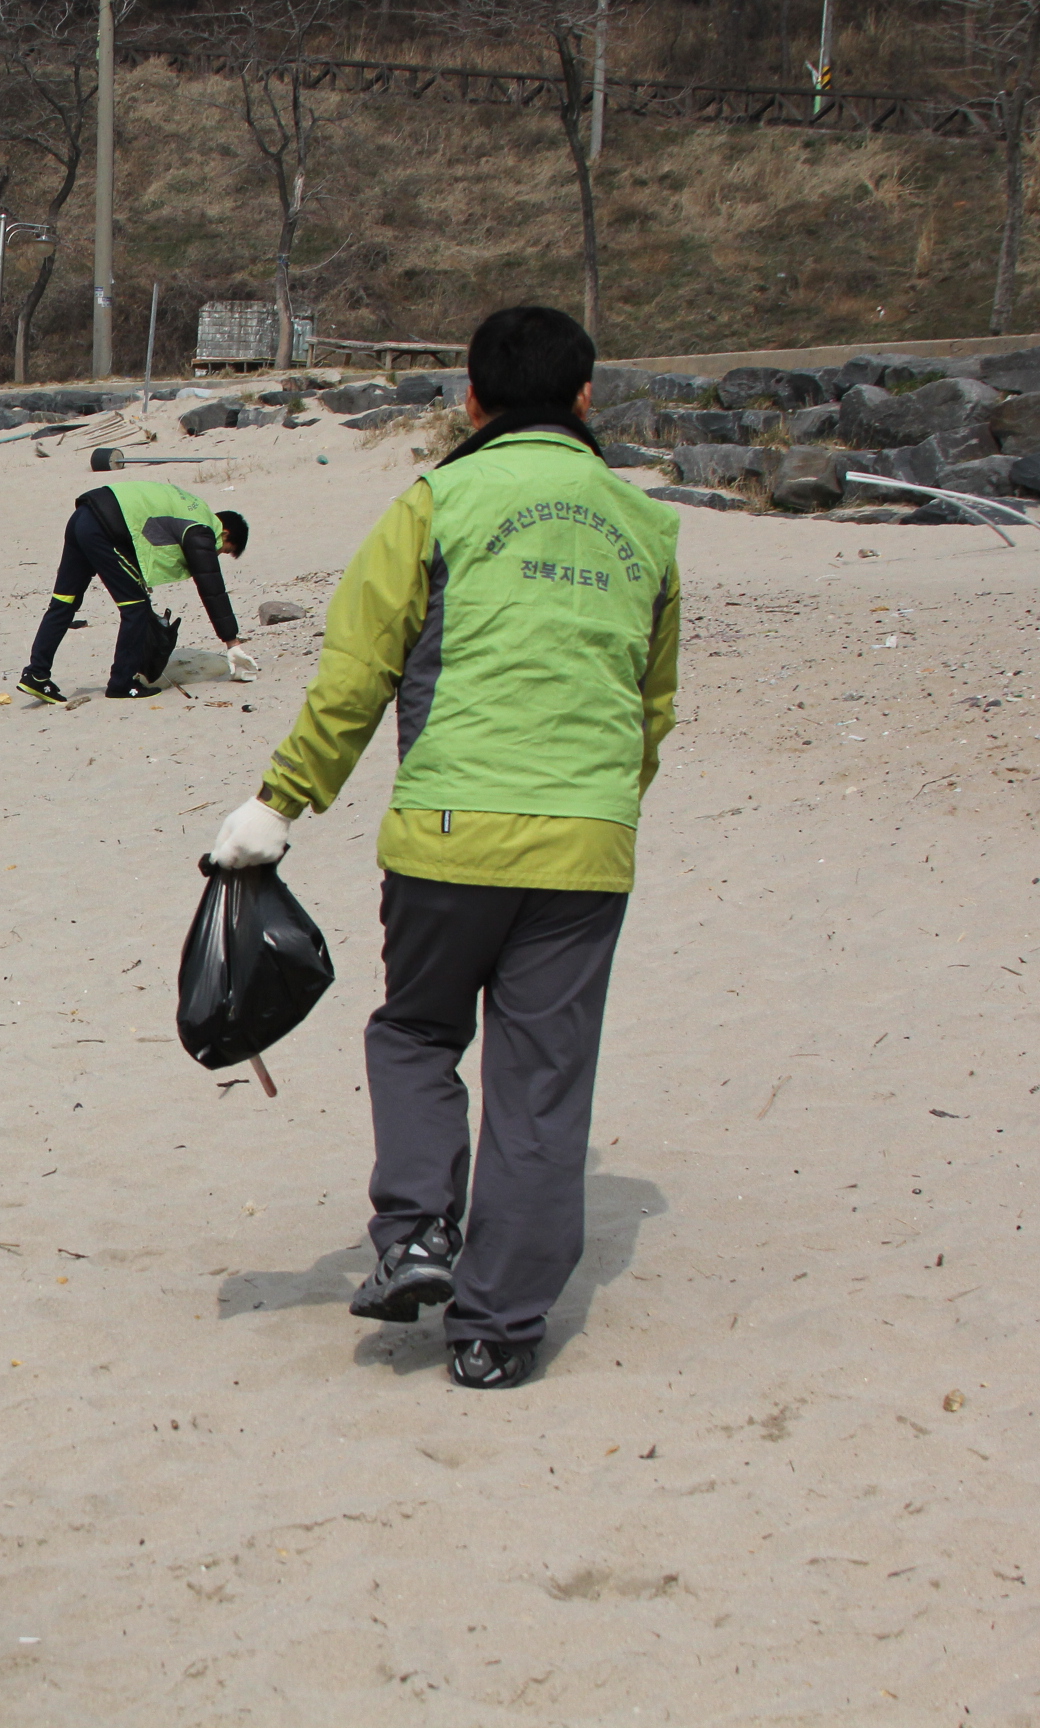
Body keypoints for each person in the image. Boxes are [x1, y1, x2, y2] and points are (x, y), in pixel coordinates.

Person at [205, 305, 680, 1391]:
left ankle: (417, 1232)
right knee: (543, 1083)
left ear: (469, 402)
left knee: (418, 1032)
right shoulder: (645, 528)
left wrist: (280, 802)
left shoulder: (437, 501)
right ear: (586, 398)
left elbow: (357, 675)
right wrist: (605, 808)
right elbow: (651, 707)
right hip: (587, 846)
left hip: (448, 837)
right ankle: (497, 1333)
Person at [16, 480, 258, 703]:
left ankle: (36, 674)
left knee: (63, 601)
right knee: (135, 607)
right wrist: (231, 642)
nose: (217, 554)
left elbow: (143, 532)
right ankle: (121, 683)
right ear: (225, 534)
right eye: (225, 550)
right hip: (103, 526)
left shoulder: (190, 509)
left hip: (83, 515)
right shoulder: (202, 530)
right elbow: (211, 587)